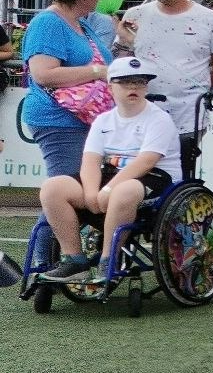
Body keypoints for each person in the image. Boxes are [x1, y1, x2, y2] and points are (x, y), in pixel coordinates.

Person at [37, 56, 180, 285]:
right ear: (110, 86)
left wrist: (108, 190)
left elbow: (146, 161)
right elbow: (91, 161)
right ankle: (75, 261)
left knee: (124, 191)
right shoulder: (103, 120)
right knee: (52, 188)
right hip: (111, 174)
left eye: (140, 82)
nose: (133, 87)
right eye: (125, 82)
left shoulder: (159, 119)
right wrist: (92, 193)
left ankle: (108, 260)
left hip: (155, 177)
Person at [119, 0, 213, 180]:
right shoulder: (136, 14)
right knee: (138, 175)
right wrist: (124, 44)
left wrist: (193, 88)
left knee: (179, 175)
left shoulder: (210, 20)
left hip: (188, 114)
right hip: (142, 110)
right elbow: (120, 65)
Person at [21, 0, 114, 179]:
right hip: (58, 118)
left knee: (75, 188)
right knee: (66, 188)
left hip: (80, 117)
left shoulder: (78, 23)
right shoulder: (48, 23)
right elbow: (43, 74)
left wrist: (127, 43)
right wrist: (97, 71)